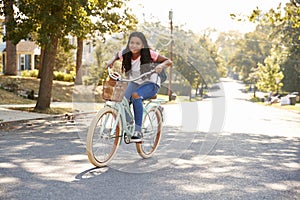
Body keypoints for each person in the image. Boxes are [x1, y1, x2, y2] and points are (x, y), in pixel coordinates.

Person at [106, 31, 172, 142]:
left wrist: (161, 65)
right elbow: (117, 55)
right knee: (122, 100)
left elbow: (168, 61)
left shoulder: (149, 53)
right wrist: (111, 61)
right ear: (128, 43)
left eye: (138, 43)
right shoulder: (126, 53)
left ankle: (138, 130)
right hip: (135, 81)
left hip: (151, 83)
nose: (134, 45)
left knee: (136, 95)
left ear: (142, 45)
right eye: (132, 43)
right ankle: (129, 123)